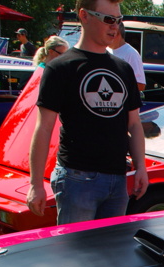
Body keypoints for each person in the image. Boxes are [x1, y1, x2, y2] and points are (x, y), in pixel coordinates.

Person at [26, 0, 148, 225]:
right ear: (84, 16)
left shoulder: (123, 68)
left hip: (117, 178)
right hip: (76, 179)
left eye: (119, 21)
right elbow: (43, 127)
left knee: (109, 258)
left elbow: (134, 124)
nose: (115, 27)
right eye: (108, 20)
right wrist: (35, 184)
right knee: (76, 256)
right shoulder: (60, 67)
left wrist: (141, 167)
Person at [108, 21, 144, 91]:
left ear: (118, 34)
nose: (106, 37)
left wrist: (117, 86)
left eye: (110, 34)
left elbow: (141, 85)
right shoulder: (104, 51)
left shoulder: (131, 53)